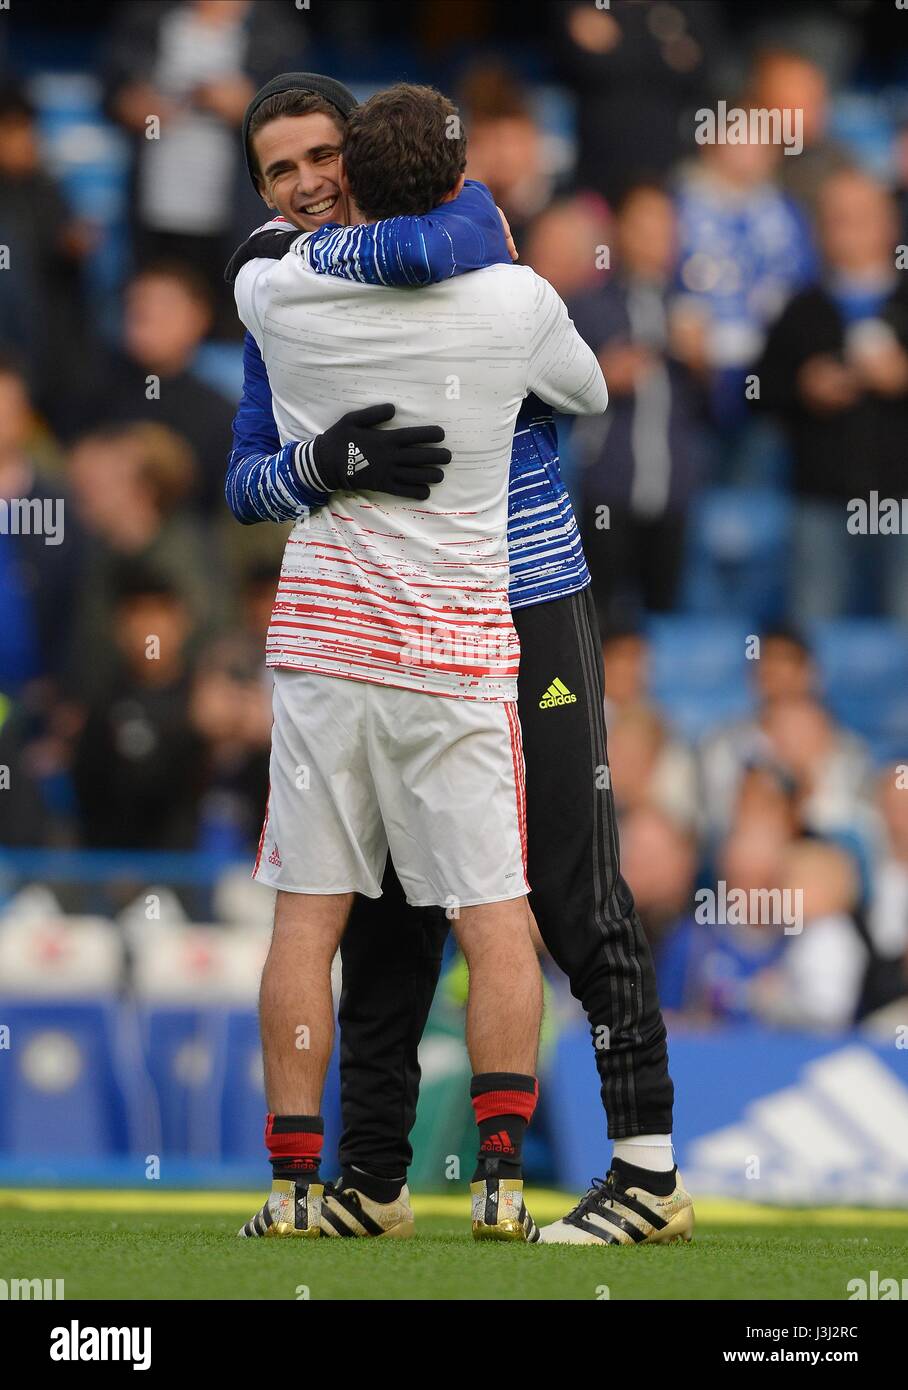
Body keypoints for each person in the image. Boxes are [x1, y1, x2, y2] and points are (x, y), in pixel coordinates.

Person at [228, 73, 691, 1249]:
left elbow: (463, 228)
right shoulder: (293, 289)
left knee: (566, 886)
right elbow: (242, 479)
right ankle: (374, 1176)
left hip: (524, 601)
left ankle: (642, 1164)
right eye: (279, 171)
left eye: (322, 156)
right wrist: (320, 465)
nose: (305, 183)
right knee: (386, 917)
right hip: (406, 625)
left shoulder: (457, 258)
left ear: (363, 162)